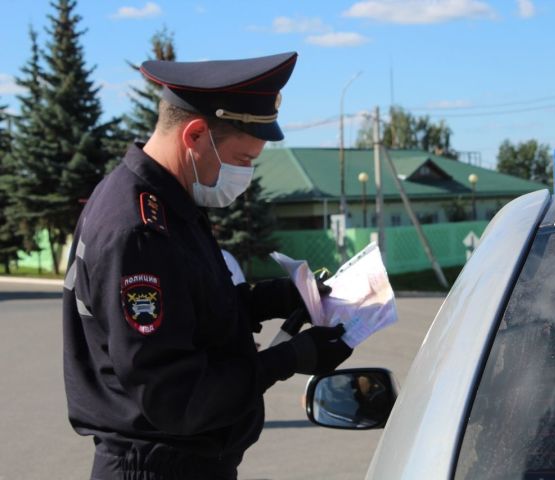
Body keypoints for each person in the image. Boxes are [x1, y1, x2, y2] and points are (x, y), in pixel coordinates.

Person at [62, 51, 353, 480]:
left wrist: (266, 299)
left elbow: (187, 314)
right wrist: (287, 359)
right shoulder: (138, 228)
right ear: (195, 136)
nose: (247, 175)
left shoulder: (167, 203)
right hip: (156, 468)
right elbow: (174, 395)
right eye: (242, 159)